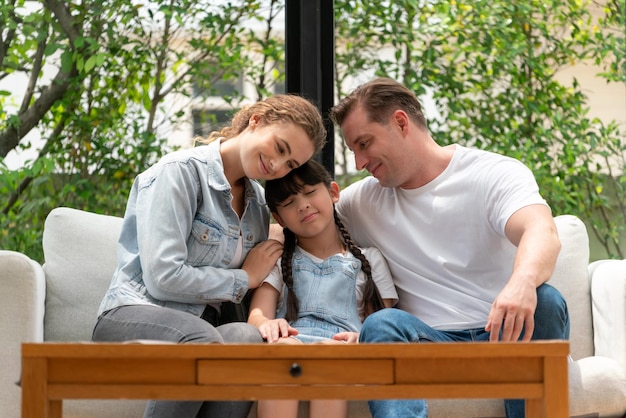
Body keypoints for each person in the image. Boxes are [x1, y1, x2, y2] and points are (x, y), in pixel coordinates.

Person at [328, 77, 570, 418]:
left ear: (400, 122)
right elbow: (300, 221)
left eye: (364, 144)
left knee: (546, 300)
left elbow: (541, 230)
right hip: (428, 345)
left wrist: (522, 282)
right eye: (354, 150)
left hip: (506, 335)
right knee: (382, 324)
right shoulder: (363, 200)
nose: (359, 162)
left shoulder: (492, 173)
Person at [92, 94, 326, 418]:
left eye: (290, 165)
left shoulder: (258, 205)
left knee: (246, 338)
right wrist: (245, 278)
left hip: (207, 329)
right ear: (256, 120)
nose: (276, 166)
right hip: (137, 313)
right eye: (280, 148)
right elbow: (162, 278)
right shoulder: (180, 172)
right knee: (200, 340)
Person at [247, 159, 398, 418]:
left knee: (331, 354)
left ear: (333, 192)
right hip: (292, 342)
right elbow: (258, 314)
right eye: (288, 203)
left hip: (343, 350)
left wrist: (361, 339)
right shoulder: (281, 261)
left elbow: (381, 325)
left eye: (309, 193)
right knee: (285, 353)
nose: (303, 205)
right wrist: (266, 324)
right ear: (278, 218)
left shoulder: (368, 259)